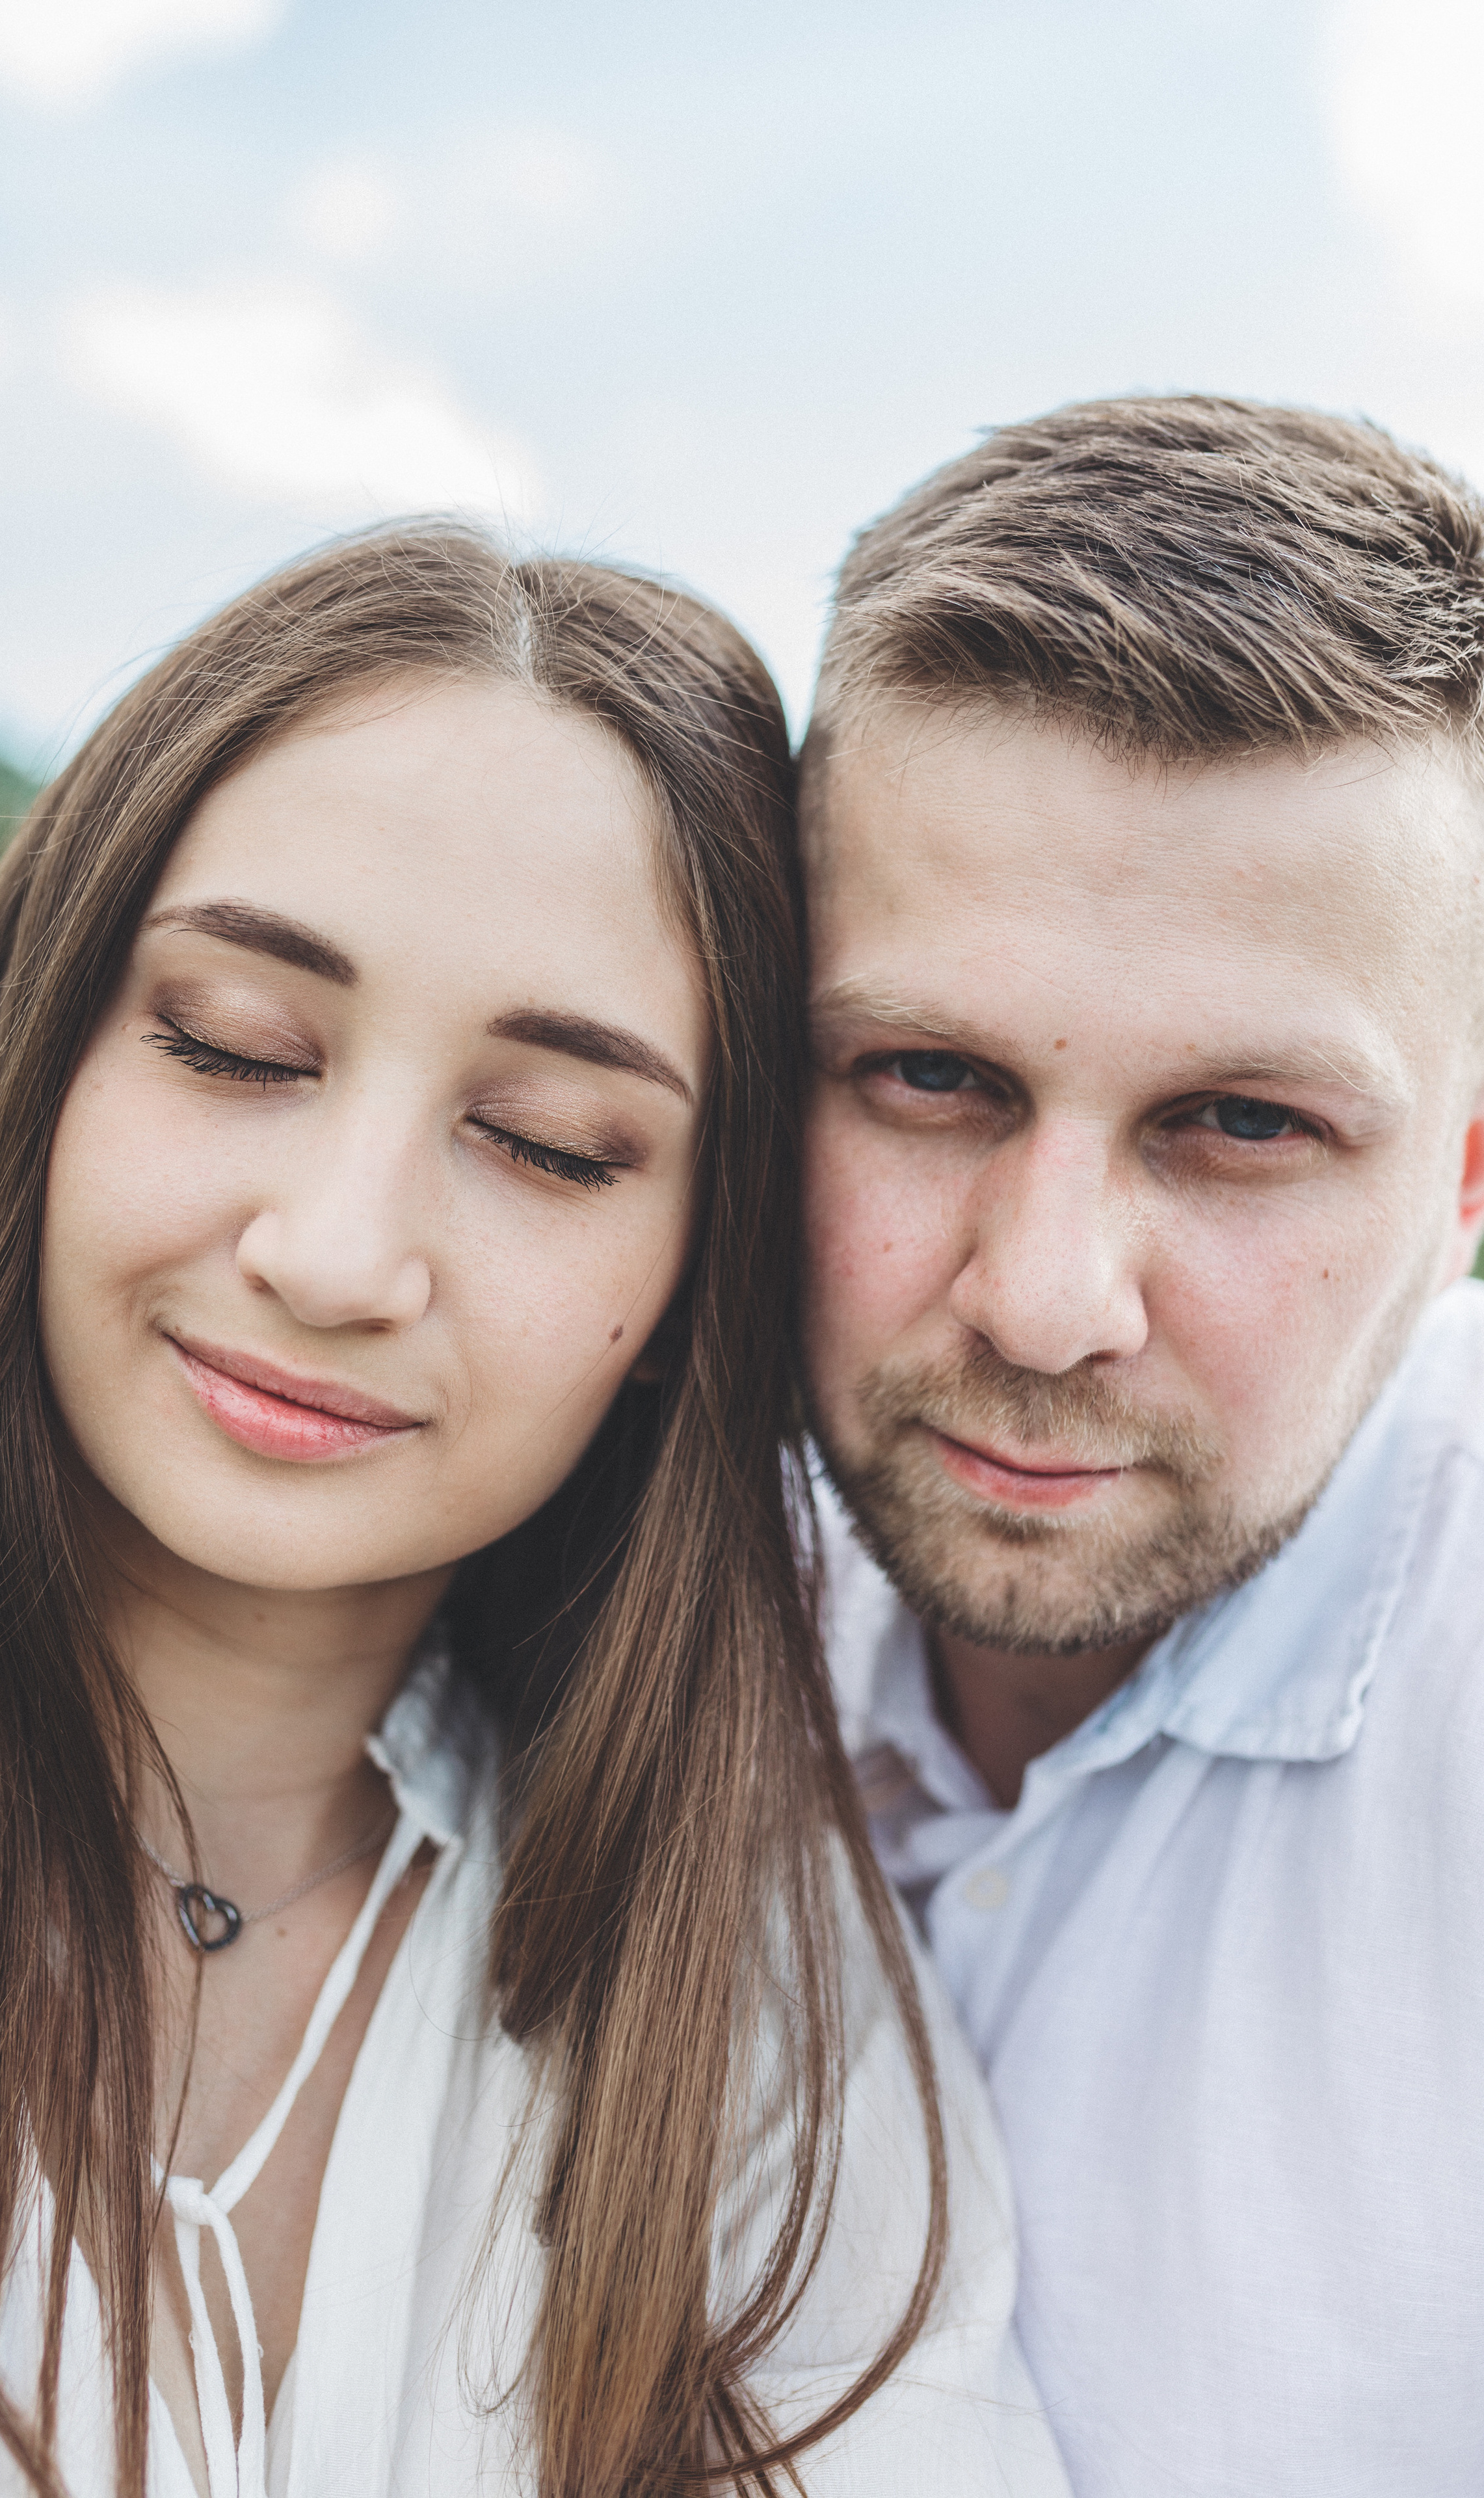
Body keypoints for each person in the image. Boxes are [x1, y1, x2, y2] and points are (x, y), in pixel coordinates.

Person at [0, 528, 1068, 2498]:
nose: (335, 1256)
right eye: (233, 1044)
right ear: (33, 1058)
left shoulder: (759, 2002)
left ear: (689, 1285)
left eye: (548, 1146)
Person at [797, 397, 1484, 2498]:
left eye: (1247, 1124)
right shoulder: (548, 1565)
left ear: (1467, 1185)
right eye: (928, 1075)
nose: (1044, 1296)